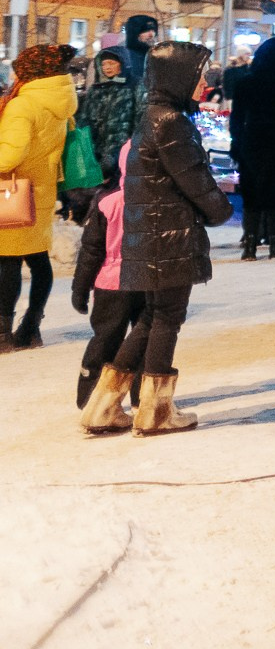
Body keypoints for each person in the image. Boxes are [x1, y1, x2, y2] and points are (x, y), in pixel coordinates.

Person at [100, 43, 229, 435]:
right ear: (178, 77)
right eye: (199, 75)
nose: (204, 83)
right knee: (167, 316)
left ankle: (103, 407)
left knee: (152, 317)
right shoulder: (172, 121)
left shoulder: (151, 116)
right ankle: (155, 411)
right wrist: (219, 211)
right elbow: (194, 180)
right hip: (169, 236)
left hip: (151, 233)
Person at [0, 45, 78, 349]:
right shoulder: (60, 102)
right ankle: (31, 328)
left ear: (31, 72)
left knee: (6, 261)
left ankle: (2, 333)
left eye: (18, 70)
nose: (14, 76)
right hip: (41, 191)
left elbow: (9, 156)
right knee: (38, 259)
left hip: (13, 193)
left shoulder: (23, 105)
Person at [72, 143, 136, 426]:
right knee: (142, 339)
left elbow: (91, 251)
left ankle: (90, 396)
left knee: (105, 339)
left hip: (111, 284)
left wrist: (80, 289)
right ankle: (142, 395)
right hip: (147, 281)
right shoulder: (159, 200)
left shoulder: (108, 201)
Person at [227, 37, 275, 261]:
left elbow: (236, 119)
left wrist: (237, 143)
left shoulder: (245, 83)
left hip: (252, 141)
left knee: (252, 192)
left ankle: (250, 243)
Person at [71, 51, 140, 218]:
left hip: (122, 150)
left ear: (122, 64)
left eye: (111, 63)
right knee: (91, 195)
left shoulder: (133, 87)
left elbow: (138, 118)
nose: (107, 67)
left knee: (115, 197)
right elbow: (85, 119)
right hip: (95, 151)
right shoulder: (95, 90)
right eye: (104, 64)